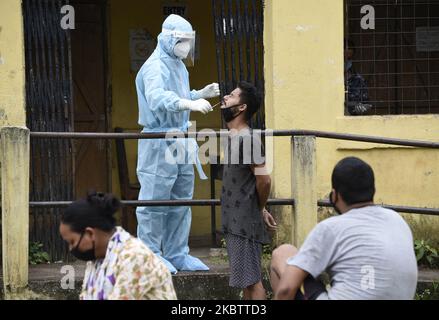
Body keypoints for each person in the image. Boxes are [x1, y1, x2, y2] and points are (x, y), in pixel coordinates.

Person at [135, 14, 220, 274]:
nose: (186, 45)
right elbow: (158, 98)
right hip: (159, 140)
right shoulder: (154, 66)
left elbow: (179, 96)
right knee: (155, 201)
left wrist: (198, 94)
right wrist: (189, 104)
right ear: (168, 38)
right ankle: (151, 255)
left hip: (181, 138)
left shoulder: (178, 65)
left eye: (188, 40)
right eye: (182, 40)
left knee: (181, 199)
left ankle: (177, 253)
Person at [271, 157, 418, 300]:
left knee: (283, 253)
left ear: (334, 196)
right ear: (372, 190)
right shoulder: (398, 221)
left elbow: (286, 290)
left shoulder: (331, 228)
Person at [59, 191, 177, 300]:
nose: (71, 248)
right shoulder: (98, 259)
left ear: (90, 233)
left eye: (72, 242)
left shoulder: (134, 257)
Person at [220, 81, 277, 300]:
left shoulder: (248, 139)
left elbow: (264, 180)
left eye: (232, 96)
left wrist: (259, 209)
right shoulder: (234, 137)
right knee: (246, 281)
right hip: (235, 221)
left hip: (244, 222)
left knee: (253, 283)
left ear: (242, 107)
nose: (225, 98)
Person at [345, 38, 371, 116]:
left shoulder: (358, 80)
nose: (346, 61)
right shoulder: (328, 80)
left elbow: (367, 105)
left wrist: (361, 108)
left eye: (349, 58)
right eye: (343, 58)